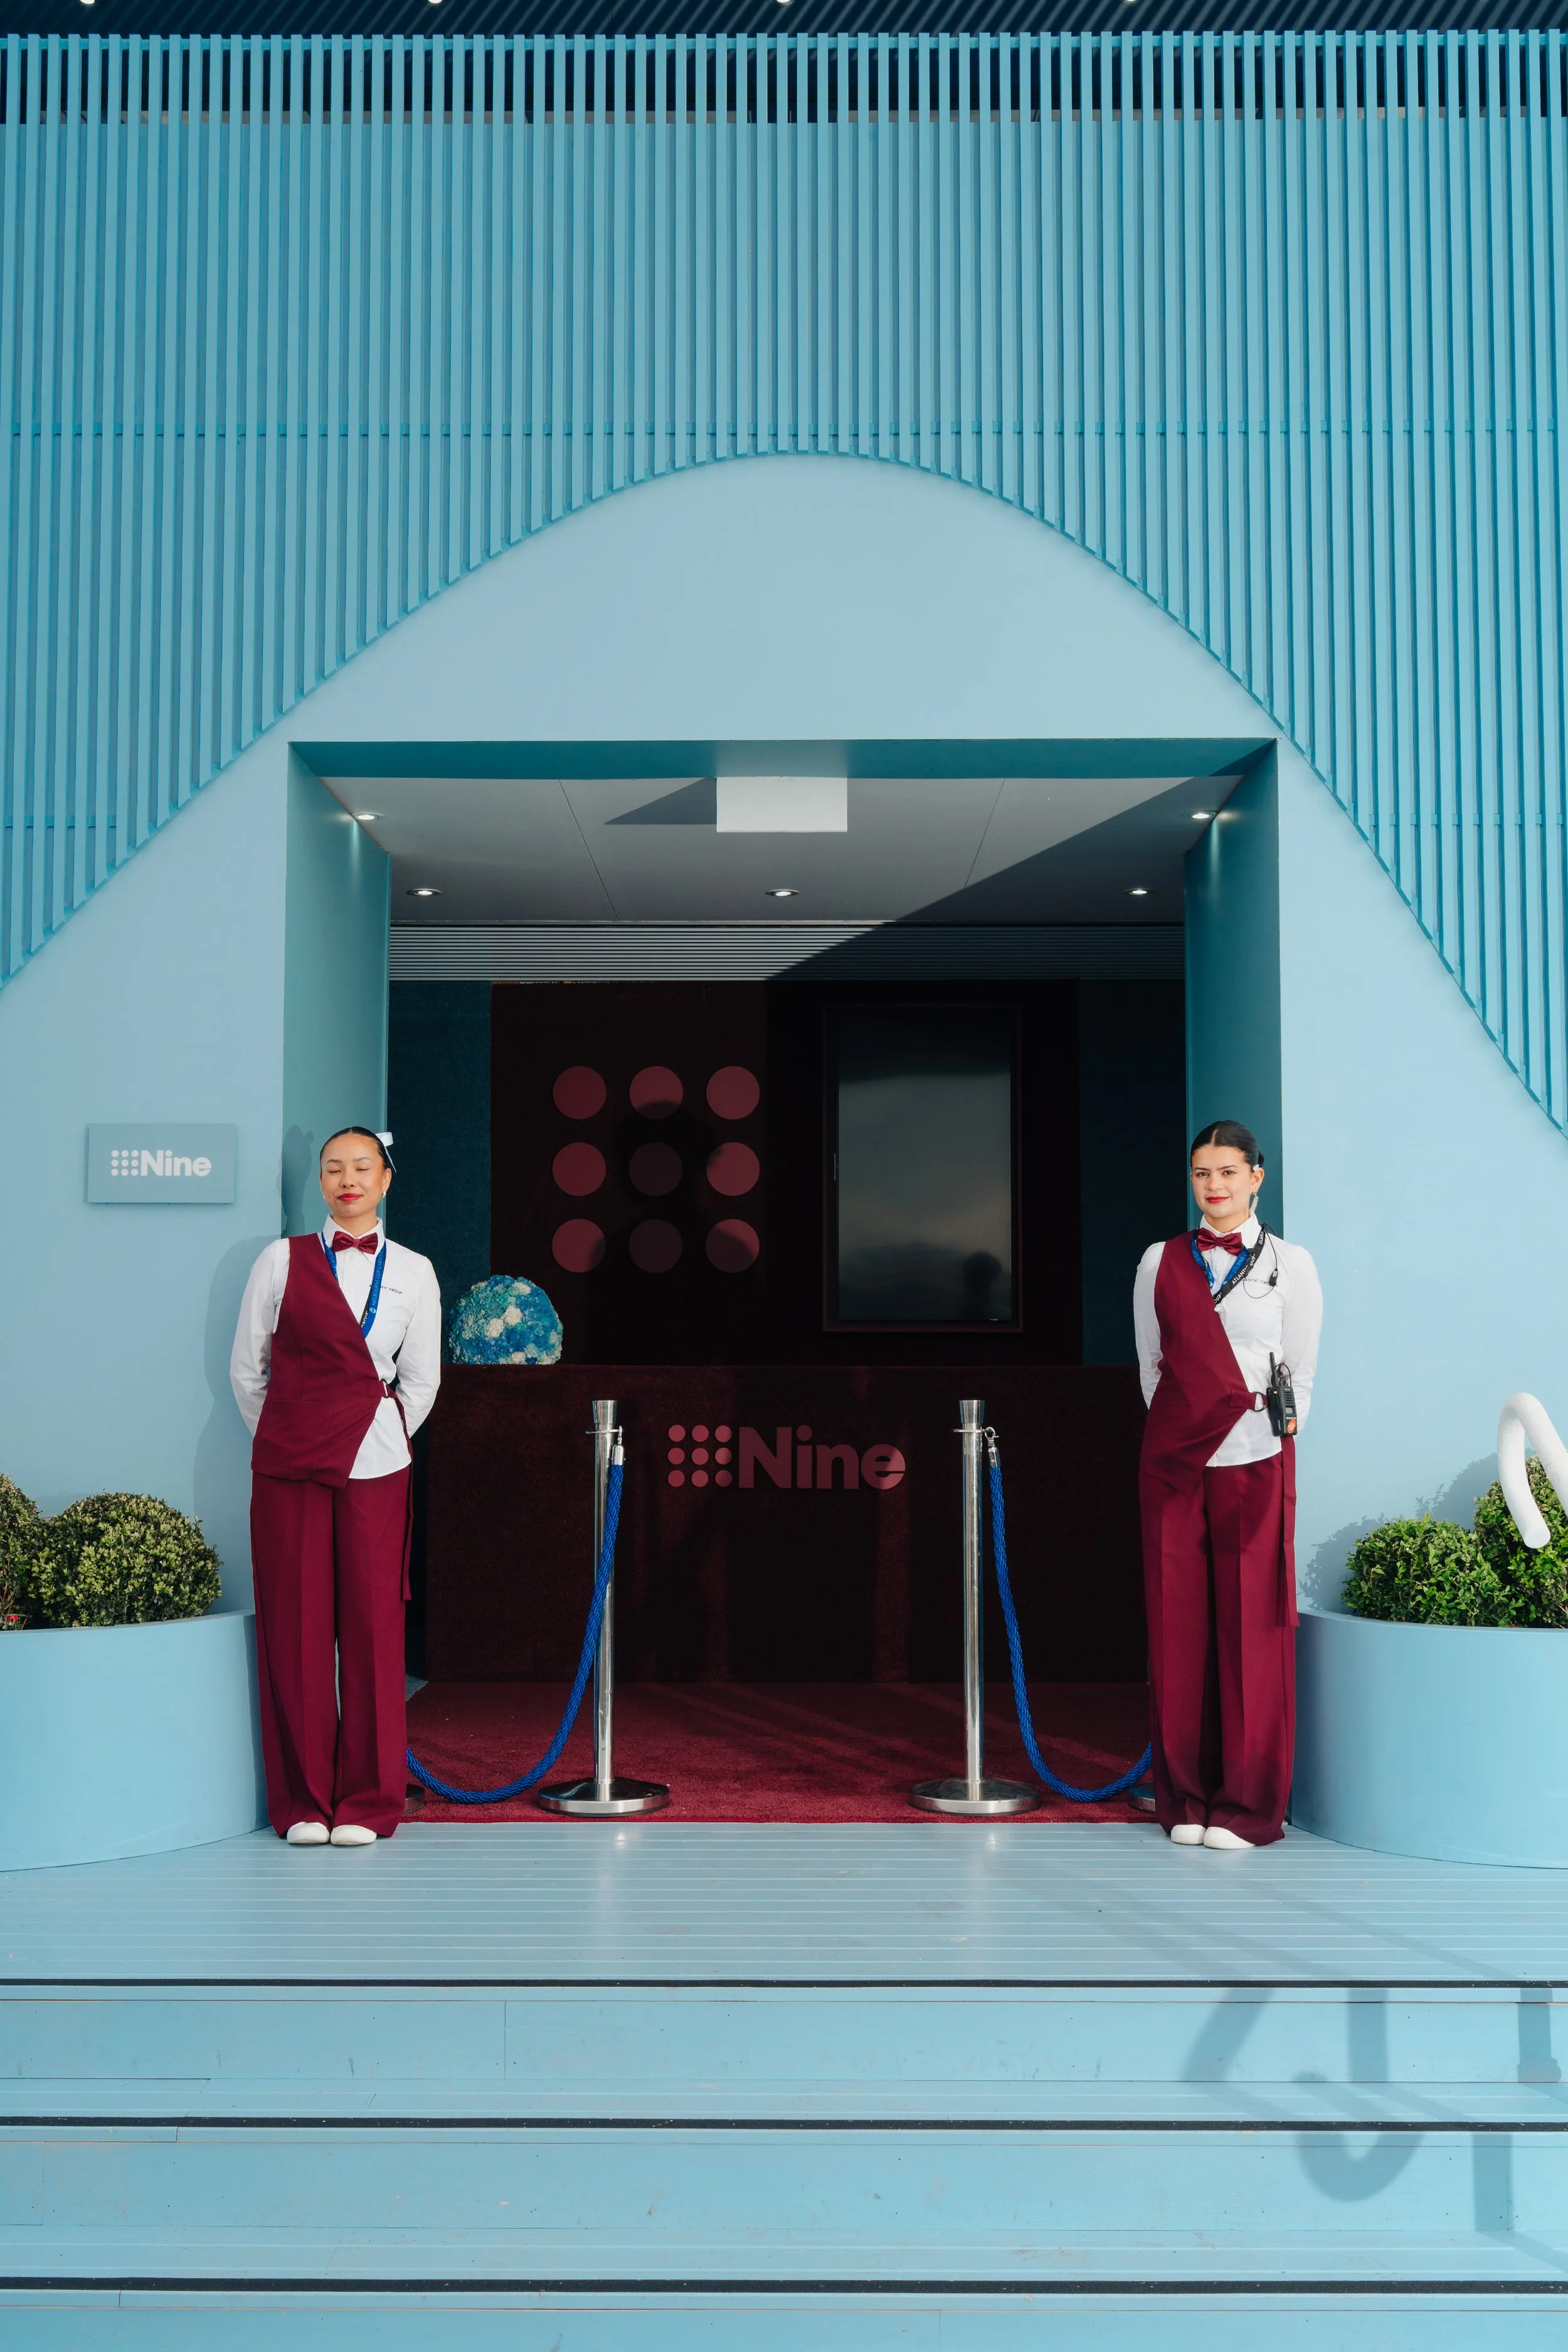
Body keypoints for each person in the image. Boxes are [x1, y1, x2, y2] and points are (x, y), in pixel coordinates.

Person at [230, 1129, 440, 1848]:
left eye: (360, 1167)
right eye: (332, 1169)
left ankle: (370, 1802)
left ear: (385, 1178)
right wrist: (294, 1429)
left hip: (376, 1463)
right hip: (288, 1462)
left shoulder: (414, 1270)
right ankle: (302, 1802)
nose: (346, 1179)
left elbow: (421, 1382)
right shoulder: (278, 1260)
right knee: (294, 1627)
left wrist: (374, 1431)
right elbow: (247, 1372)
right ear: (320, 1182)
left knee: (375, 1628)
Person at [1133, 1121, 1322, 1851]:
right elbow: (1150, 1368)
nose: (1213, 1185)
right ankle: (1182, 1797)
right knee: (1175, 1627)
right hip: (1174, 1461)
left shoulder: (1291, 1264)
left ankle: (1247, 1806)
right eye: (1201, 1173)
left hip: (1255, 1457)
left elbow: (1299, 1369)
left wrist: (1258, 1431)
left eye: (1227, 1172)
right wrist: (1187, 1427)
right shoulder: (1158, 1261)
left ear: (1255, 1177)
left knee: (1252, 1630)